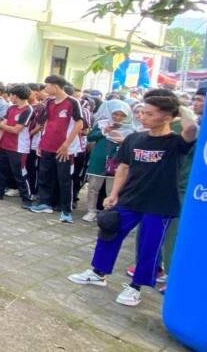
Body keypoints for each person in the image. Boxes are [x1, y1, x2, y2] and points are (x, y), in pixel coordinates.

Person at [68, 94, 197, 307]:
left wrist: (178, 106)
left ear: (167, 117)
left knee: (149, 247)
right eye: (142, 112)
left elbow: (191, 128)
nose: (142, 116)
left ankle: (136, 287)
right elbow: (123, 168)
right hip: (130, 199)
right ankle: (98, 273)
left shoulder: (175, 143)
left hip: (160, 204)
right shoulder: (134, 139)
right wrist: (113, 194)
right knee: (109, 232)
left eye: (149, 114)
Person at [30, 75, 84, 223]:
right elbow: (46, 123)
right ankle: (45, 203)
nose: (45, 89)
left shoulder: (72, 102)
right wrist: (41, 142)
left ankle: (66, 211)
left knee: (64, 179)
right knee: (45, 175)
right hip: (47, 145)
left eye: (47, 86)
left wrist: (66, 144)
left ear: (55, 86)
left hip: (63, 149)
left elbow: (79, 124)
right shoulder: (49, 102)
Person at [82, 100, 133, 222]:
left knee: (112, 190)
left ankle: (108, 213)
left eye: (122, 115)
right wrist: (105, 131)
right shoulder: (102, 124)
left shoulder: (130, 129)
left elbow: (133, 146)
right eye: (115, 114)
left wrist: (123, 141)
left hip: (117, 163)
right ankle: (91, 211)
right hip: (99, 160)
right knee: (93, 187)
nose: (118, 117)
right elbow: (90, 137)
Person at [0, 84, 35, 205]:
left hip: (19, 147)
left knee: (20, 173)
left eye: (11, 95)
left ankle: (26, 198)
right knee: (1, 171)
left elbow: (16, 130)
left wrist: (3, 125)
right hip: (4, 144)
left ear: (16, 96)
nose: (10, 97)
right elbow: (3, 126)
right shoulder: (11, 108)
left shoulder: (28, 110)